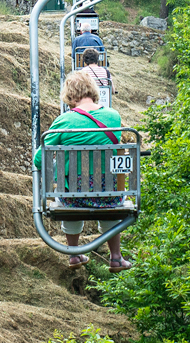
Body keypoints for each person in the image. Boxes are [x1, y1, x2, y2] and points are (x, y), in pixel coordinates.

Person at [34, 72, 133, 272]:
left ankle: (74, 254)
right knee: (109, 198)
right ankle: (115, 257)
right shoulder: (113, 116)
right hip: (109, 195)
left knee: (69, 195)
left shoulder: (63, 122)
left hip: (73, 197)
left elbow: (38, 159)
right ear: (93, 91)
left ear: (70, 96)